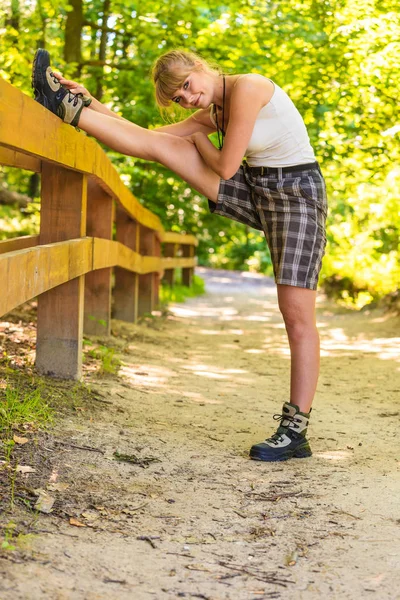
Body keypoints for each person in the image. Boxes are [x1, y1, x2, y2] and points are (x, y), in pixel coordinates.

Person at [32, 48, 327, 463]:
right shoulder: (214, 110)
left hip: (296, 195)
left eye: (188, 86)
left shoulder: (249, 88)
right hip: (259, 186)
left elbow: (225, 167)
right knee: (164, 149)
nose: (188, 99)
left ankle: (296, 431)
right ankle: (70, 108)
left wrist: (197, 138)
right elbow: (149, 137)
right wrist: (91, 103)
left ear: (202, 67)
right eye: (179, 98)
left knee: (295, 312)